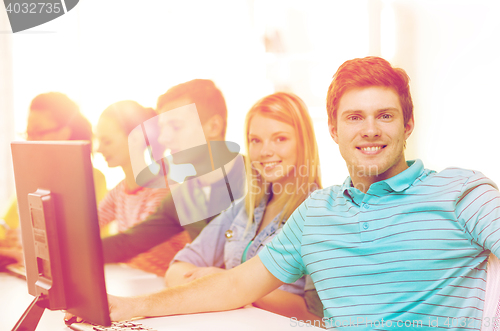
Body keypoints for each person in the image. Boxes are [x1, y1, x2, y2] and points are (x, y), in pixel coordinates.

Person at [100, 56, 500, 330]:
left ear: (408, 124)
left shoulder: (461, 191)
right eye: (355, 117)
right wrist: (131, 307)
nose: (370, 130)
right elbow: (235, 285)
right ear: (333, 129)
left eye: (386, 115)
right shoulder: (317, 213)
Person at [165, 92, 322, 320]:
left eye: (280, 138)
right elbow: (178, 268)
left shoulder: (320, 214)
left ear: (303, 142)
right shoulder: (242, 210)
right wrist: (224, 286)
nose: (265, 151)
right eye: (255, 140)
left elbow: (315, 315)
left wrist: (230, 286)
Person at [101, 79, 247, 263]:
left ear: (214, 127)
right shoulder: (184, 196)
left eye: (176, 127)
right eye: (162, 128)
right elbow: (128, 243)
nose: (164, 139)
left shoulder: (261, 180)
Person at [0, 92, 107, 264]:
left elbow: (83, 240)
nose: (30, 140)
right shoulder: (32, 179)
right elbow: (5, 228)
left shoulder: (91, 178)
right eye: (28, 133)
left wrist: (28, 240)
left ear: (64, 133)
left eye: (37, 132)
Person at [95, 100, 190, 276]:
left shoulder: (163, 190)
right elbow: (90, 225)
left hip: (165, 287)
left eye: (106, 141)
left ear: (136, 139)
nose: (99, 148)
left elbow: (133, 245)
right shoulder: (118, 192)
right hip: (134, 284)